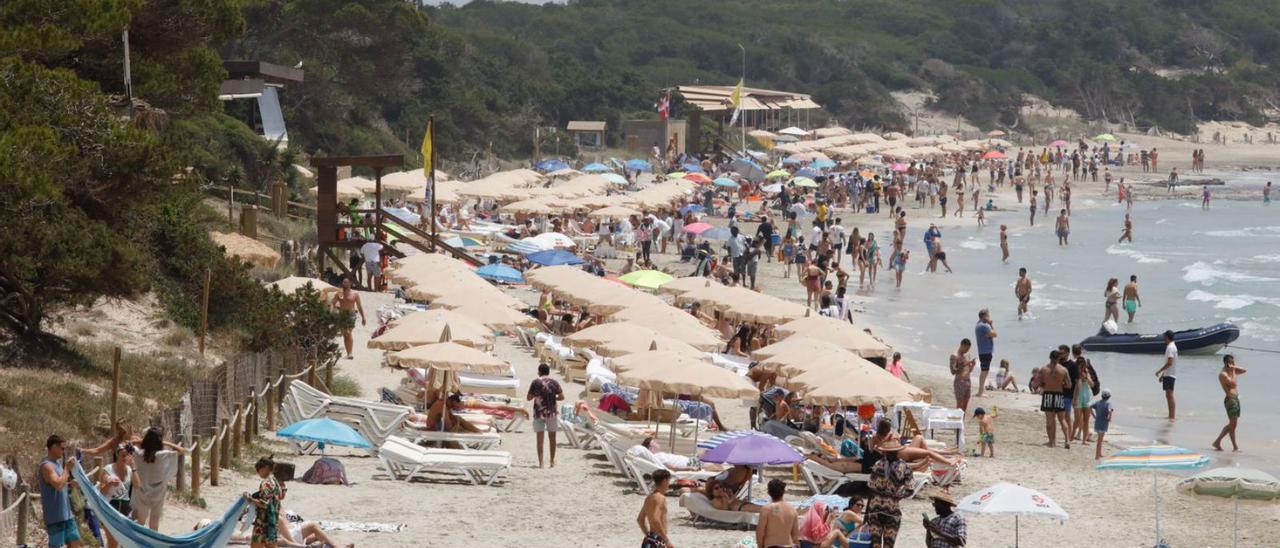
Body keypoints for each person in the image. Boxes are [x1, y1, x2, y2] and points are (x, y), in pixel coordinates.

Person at [129, 427, 185, 529]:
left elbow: (127, 444)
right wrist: (165, 443)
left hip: (142, 489)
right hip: (158, 491)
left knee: (141, 520)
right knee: (154, 520)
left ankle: (138, 541)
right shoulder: (163, 455)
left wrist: (141, 441)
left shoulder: (139, 453)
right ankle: (153, 542)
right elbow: (181, 450)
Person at [866, 440, 913, 548]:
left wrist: (898, 495)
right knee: (876, 544)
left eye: (891, 452)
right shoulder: (878, 465)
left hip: (888, 510)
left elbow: (910, 488)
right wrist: (867, 513)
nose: (889, 454)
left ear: (896, 452)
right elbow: (871, 489)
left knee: (887, 544)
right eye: (888, 452)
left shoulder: (904, 467)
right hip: (878, 511)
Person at [40, 435, 84, 548]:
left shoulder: (57, 464)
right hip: (55, 517)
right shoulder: (46, 466)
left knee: (76, 544)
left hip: (67, 515)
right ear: (53, 447)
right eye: (62, 448)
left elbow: (59, 485)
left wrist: (69, 484)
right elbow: (58, 484)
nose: (63, 452)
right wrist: (67, 469)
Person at [97, 443, 140, 548]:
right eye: (122, 455)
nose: (125, 458)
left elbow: (137, 485)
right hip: (110, 508)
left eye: (127, 455)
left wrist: (134, 467)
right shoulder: (108, 469)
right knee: (113, 543)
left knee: (126, 543)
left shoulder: (130, 470)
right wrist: (110, 484)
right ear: (117, 454)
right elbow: (101, 490)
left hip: (126, 510)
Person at [527, 362, 564, 468]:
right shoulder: (554, 383)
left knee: (539, 438)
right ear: (548, 372)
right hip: (551, 413)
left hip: (538, 413)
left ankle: (541, 463)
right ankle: (552, 461)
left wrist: (537, 396)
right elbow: (562, 397)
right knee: (552, 437)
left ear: (539, 372)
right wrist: (553, 398)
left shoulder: (535, 382)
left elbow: (528, 398)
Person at [244, 456, 284, 548]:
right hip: (273, 522)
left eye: (258, 469)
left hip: (263, 523)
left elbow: (264, 504)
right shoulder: (275, 482)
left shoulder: (266, 483)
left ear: (265, 468)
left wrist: (250, 499)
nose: (258, 472)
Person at [1212, 354, 1247, 452]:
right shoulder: (1223, 374)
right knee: (1232, 424)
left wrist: (1234, 368)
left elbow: (1244, 370)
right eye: (1232, 362)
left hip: (1236, 399)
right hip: (1230, 400)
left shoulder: (1232, 371)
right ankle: (1233, 446)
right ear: (1227, 363)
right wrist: (1232, 371)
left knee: (1233, 424)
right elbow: (1233, 383)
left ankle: (1218, 442)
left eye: (1234, 362)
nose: (1233, 364)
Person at [1039, 350, 1071, 449]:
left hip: (1048, 395)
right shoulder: (1063, 370)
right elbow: (1069, 385)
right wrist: (1061, 383)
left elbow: (1039, 384)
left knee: (1050, 420)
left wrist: (1046, 383)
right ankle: (1067, 440)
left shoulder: (1044, 369)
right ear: (1058, 358)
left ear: (1050, 357)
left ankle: (1052, 442)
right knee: (1062, 419)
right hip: (1059, 395)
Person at [330, 277, 365, 360]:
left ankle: (350, 353)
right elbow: (332, 303)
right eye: (343, 282)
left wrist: (363, 317)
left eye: (346, 282)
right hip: (342, 315)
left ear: (350, 283)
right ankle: (348, 352)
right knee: (345, 334)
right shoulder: (339, 293)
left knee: (348, 332)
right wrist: (331, 312)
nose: (344, 284)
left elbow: (359, 306)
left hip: (351, 315)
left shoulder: (355, 294)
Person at [756, 479, 799, 548]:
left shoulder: (766, 509)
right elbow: (796, 535)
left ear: (769, 493)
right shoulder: (792, 510)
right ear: (783, 492)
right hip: (789, 546)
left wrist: (760, 546)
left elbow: (760, 532)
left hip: (772, 546)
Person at [638, 469, 673, 548]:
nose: (669, 484)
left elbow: (640, 519)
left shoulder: (649, 498)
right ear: (664, 481)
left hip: (650, 539)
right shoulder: (660, 498)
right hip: (658, 539)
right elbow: (656, 519)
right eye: (668, 481)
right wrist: (666, 540)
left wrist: (648, 535)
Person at [1071, 345, 1095, 443]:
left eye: (1084, 365)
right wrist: (1074, 398)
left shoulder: (1086, 372)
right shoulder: (1076, 372)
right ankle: (1072, 437)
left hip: (1087, 395)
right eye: (1082, 365)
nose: (1083, 367)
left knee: (1086, 420)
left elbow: (1092, 384)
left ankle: (1084, 440)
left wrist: (1087, 378)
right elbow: (1077, 386)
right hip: (1079, 396)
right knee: (1077, 419)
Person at [1155, 330, 1177, 421]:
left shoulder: (1170, 347)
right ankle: (1170, 415)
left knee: (1170, 395)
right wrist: (1163, 375)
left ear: (1167, 337)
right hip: (1168, 374)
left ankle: (1172, 416)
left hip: (1170, 375)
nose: (1163, 339)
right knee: (1168, 395)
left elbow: (1170, 363)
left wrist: (1159, 371)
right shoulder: (1170, 347)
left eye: (1164, 337)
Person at [974, 310, 996, 398]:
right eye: (988, 316)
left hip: (983, 351)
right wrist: (991, 324)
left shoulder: (978, 324)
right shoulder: (983, 326)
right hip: (985, 351)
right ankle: (980, 391)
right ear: (984, 316)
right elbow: (995, 334)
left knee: (984, 371)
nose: (989, 318)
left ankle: (980, 390)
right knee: (984, 371)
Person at [949, 339, 974, 413]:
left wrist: (972, 366)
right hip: (959, 382)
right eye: (966, 349)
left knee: (965, 405)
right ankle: (957, 422)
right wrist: (964, 364)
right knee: (960, 405)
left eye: (968, 349)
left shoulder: (967, 355)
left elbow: (969, 370)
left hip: (968, 381)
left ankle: (961, 422)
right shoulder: (954, 356)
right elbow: (953, 371)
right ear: (962, 345)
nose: (967, 351)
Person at [1091, 389, 1114, 460]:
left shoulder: (1098, 402)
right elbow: (1110, 410)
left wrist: (1094, 415)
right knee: (1099, 440)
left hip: (1097, 423)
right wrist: (1109, 418)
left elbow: (1089, 406)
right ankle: (1097, 456)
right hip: (1103, 423)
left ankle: (1099, 454)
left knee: (1099, 439)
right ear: (1109, 396)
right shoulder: (1108, 403)